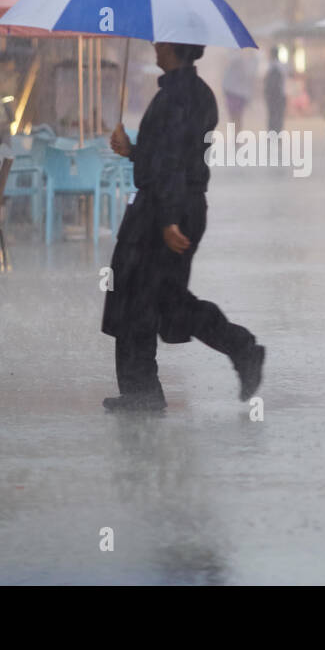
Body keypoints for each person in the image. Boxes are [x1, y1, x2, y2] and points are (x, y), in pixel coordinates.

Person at [102, 42, 265, 412]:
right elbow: (165, 156)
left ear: (175, 50)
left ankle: (147, 390)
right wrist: (132, 151)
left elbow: (175, 162)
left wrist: (169, 218)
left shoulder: (181, 97)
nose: (155, 47)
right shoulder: (186, 93)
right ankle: (142, 391)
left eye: (161, 43)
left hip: (166, 209)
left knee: (149, 299)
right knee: (154, 299)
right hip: (167, 205)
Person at [221, 51, 257, 127]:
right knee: (237, 117)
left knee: (235, 117)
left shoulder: (232, 70)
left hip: (234, 95)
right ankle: (236, 134)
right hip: (237, 96)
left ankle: (235, 134)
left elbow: (225, 84)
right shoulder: (241, 68)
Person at [263, 47, 286, 133]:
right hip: (280, 94)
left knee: (271, 115)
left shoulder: (268, 66)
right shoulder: (283, 66)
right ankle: (278, 133)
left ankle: (272, 133)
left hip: (271, 95)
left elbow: (264, 79)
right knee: (279, 116)